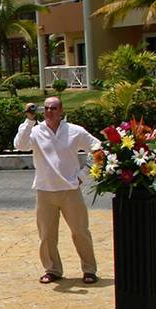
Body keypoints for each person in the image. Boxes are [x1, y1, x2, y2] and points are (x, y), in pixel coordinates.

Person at [14, 97, 100, 285]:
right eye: (46, 108)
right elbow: (20, 145)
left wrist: (83, 175)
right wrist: (28, 120)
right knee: (46, 235)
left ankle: (89, 269)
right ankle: (52, 269)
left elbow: (98, 148)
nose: (49, 112)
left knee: (80, 232)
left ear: (61, 110)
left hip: (70, 191)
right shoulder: (35, 131)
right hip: (44, 191)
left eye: (53, 108)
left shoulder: (74, 131)